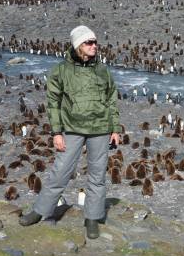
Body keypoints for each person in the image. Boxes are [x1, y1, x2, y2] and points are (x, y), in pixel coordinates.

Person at [19, 25, 121, 239]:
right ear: (77, 46)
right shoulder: (61, 70)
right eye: (89, 42)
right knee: (60, 171)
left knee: (97, 175)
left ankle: (92, 218)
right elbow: (53, 102)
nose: (94, 46)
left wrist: (115, 129)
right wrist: (56, 132)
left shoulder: (103, 70)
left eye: (95, 42)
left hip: (100, 129)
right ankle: (40, 211)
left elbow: (112, 99)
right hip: (72, 128)